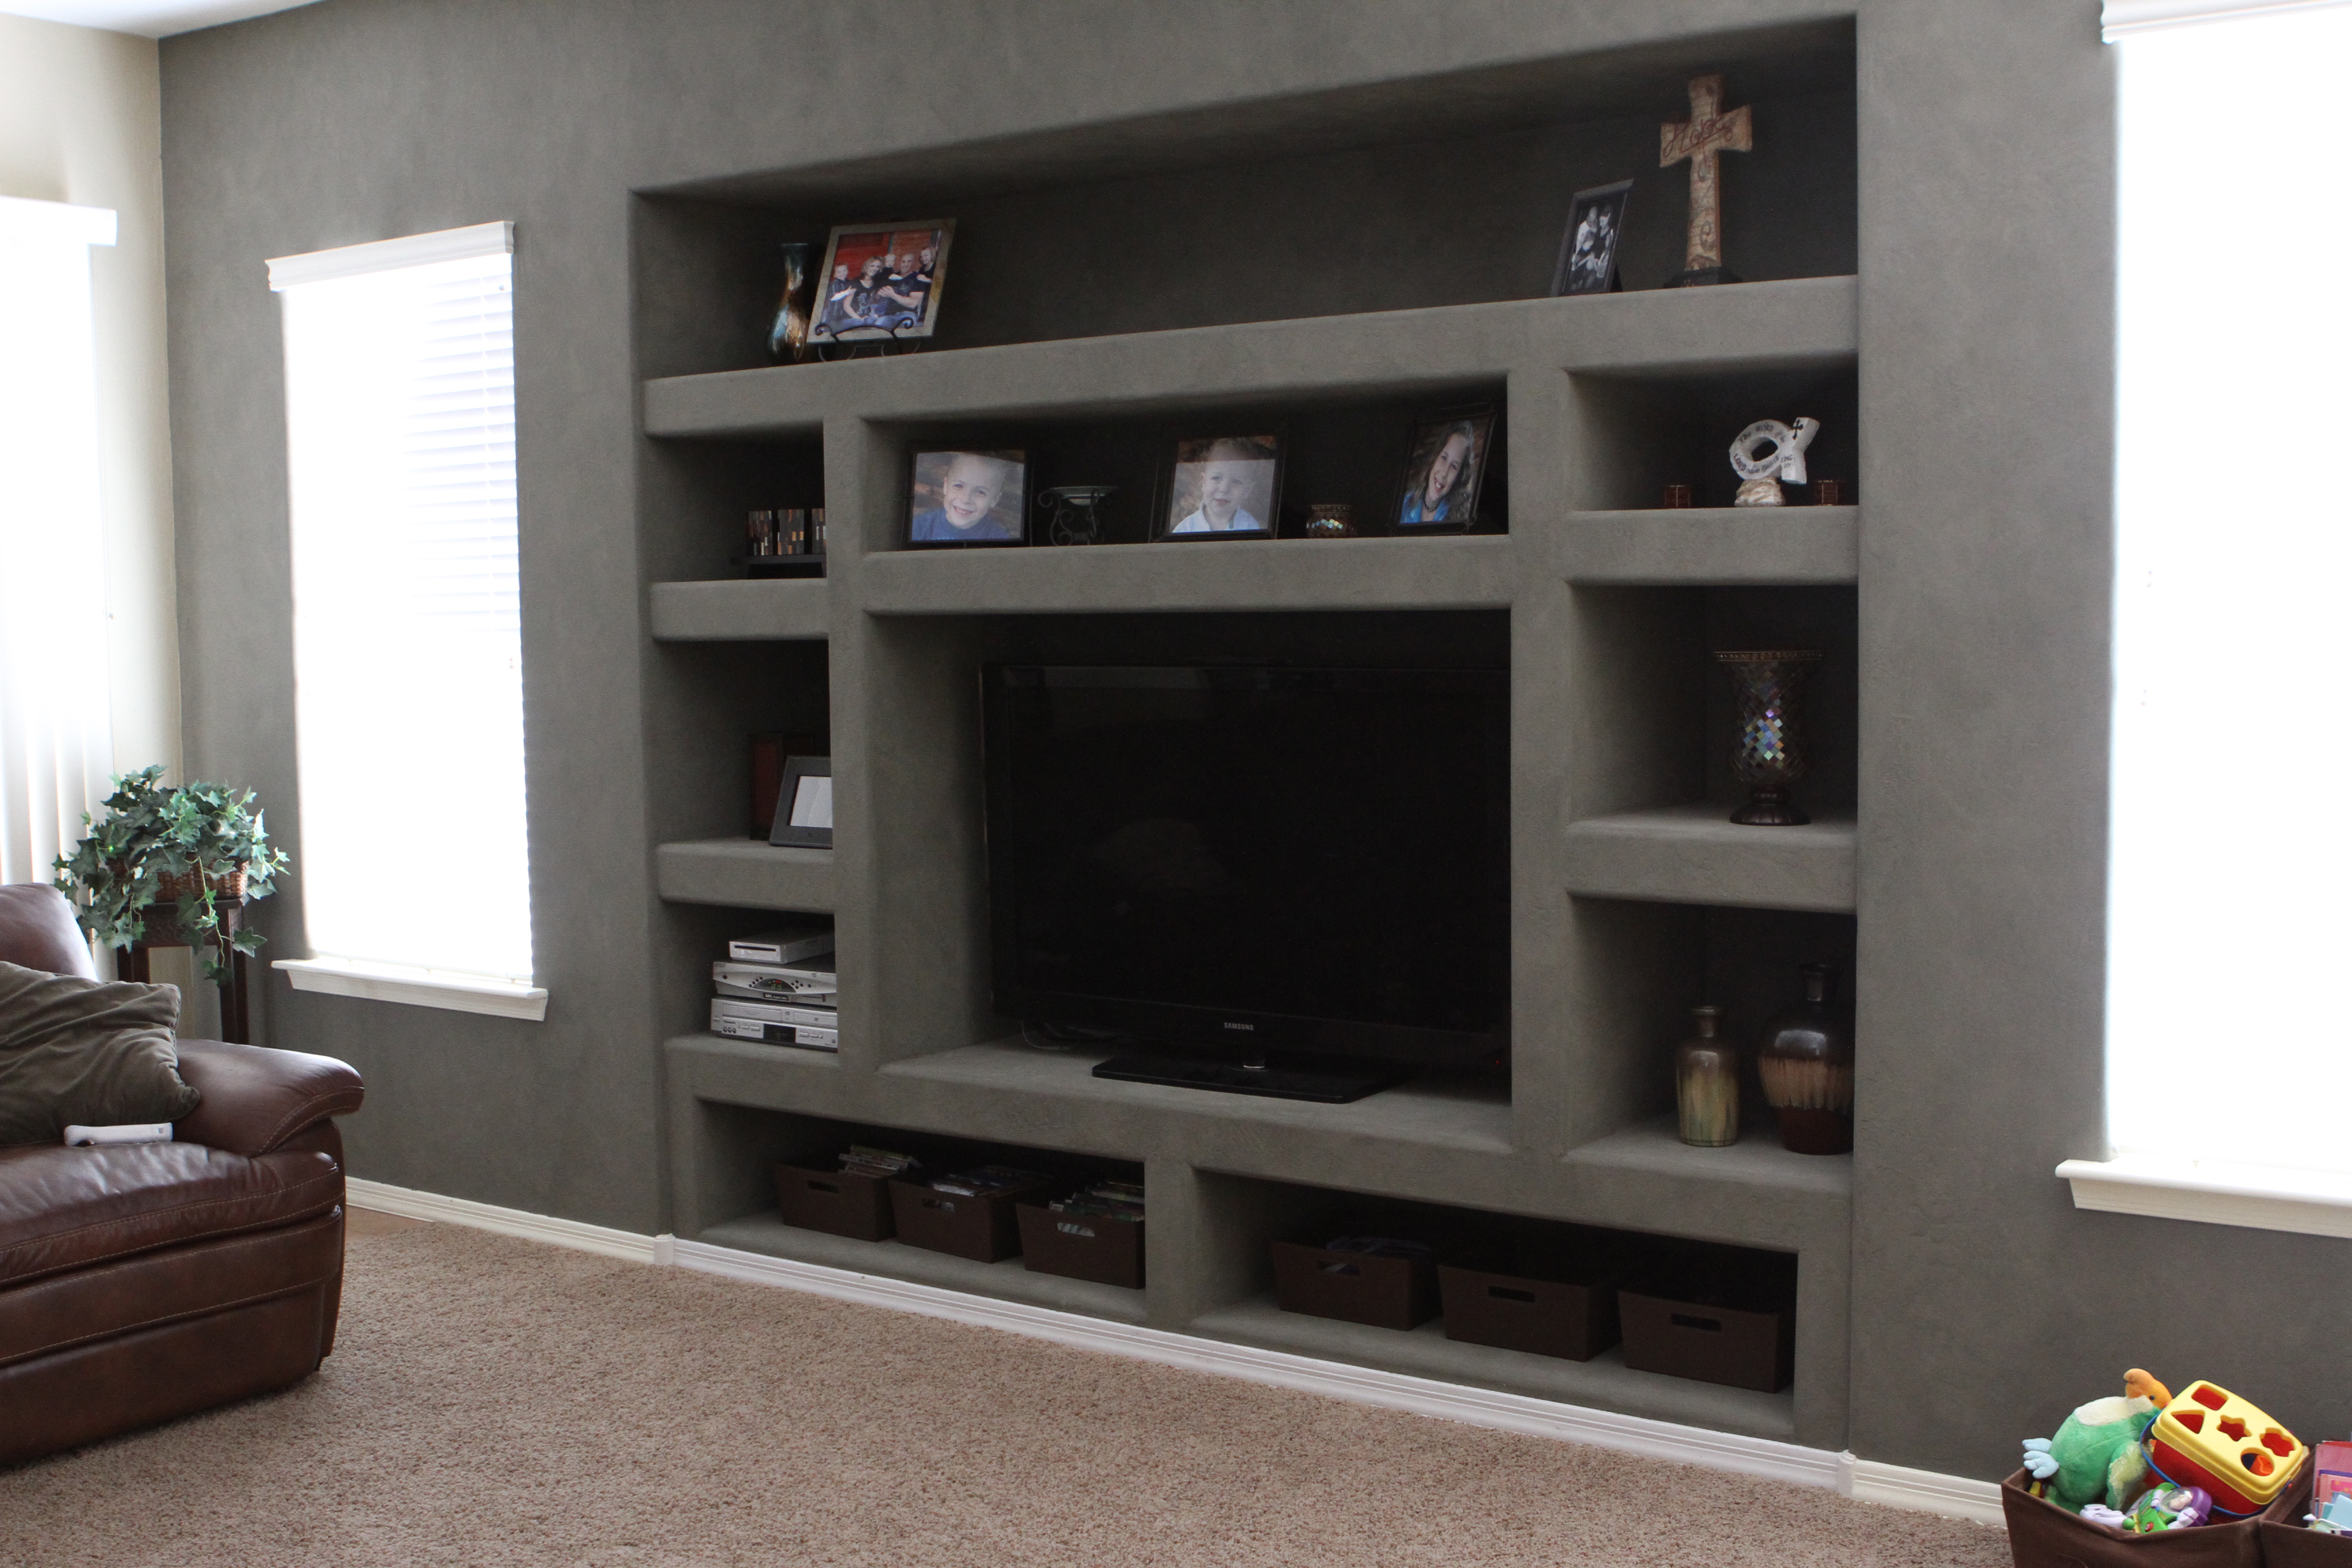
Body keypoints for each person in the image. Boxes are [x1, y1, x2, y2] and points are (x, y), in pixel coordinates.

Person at [911, 452, 1017, 542]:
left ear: (995, 499)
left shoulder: (998, 537)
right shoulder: (919, 528)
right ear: (945, 486)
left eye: (981, 492)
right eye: (958, 486)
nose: (966, 499)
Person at [1169, 439, 1269, 534]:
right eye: (1216, 478)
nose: (1224, 489)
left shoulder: (1250, 527)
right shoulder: (1186, 529)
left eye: (1236, 481)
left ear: (1247, 491)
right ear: (1203, 482)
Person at [1400, 422, 1478, 525]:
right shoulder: (1404, 505)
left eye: (1454, 466)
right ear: (1435, 458)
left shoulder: (1457, 520)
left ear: (1459, 477)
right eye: (1444, 458)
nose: (1444, 473)